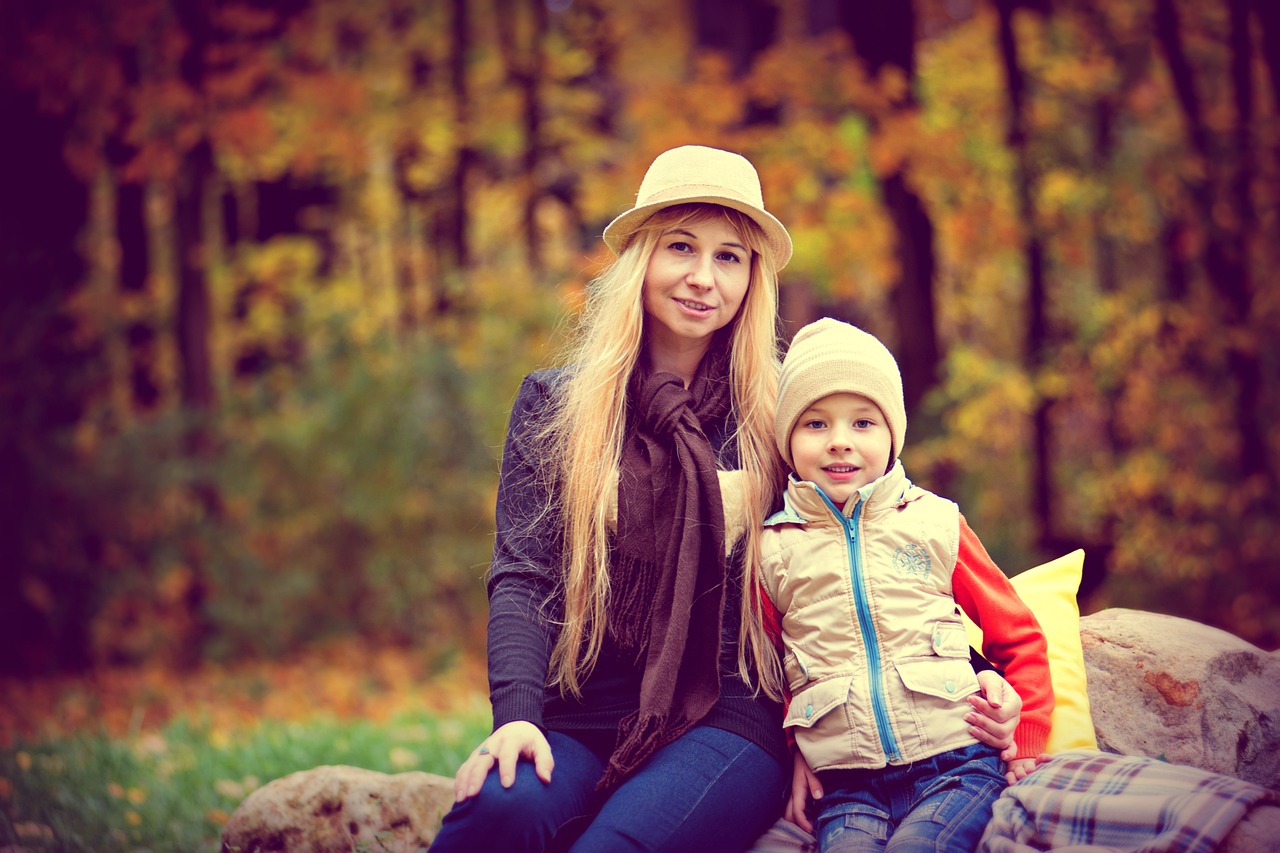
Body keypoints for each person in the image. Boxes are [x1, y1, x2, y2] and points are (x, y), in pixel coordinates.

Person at [430, 146, 1023, 853]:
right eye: (681, 247)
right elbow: (522, 576)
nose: (703, 278)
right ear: (641, 258)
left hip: (731, 717)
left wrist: (982, 676)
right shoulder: (556, 404)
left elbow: (884, 540)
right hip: (580, 713)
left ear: (752, 278)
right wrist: (517, 716)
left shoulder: (781, 412)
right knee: (496, 815)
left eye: (730, 257)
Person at [758, 317, 1054, 852]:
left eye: (863, 423)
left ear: (893, 434)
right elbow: (769, 669)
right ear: (788, 440)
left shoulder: (934, 523)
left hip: (958, 765)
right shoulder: (772, 551)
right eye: (816, 424)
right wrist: (795, 746)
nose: (840, 443)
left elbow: (1019, 636)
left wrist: (1027, 734)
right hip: (848, 787)